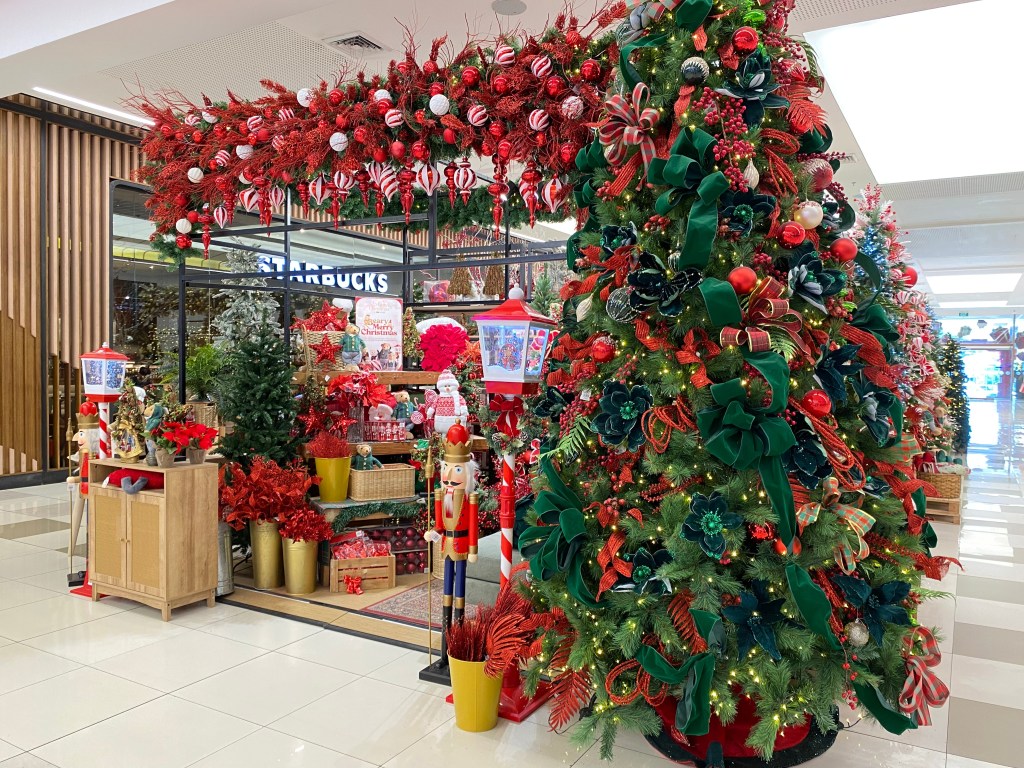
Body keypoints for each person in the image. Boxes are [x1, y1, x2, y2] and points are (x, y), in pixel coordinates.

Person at [422, 420, 478, 676]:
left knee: (459, 596)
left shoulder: (469, 499)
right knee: (445, 595)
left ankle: (457, 647)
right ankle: (443, 653)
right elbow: (441, 525)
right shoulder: (442, 497)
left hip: (463, 544)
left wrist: (474, 548)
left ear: (467, 472)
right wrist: (432, 533)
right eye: (447, 469)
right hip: (446, 544)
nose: (449, 476)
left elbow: (473, 524)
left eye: (457, 470)